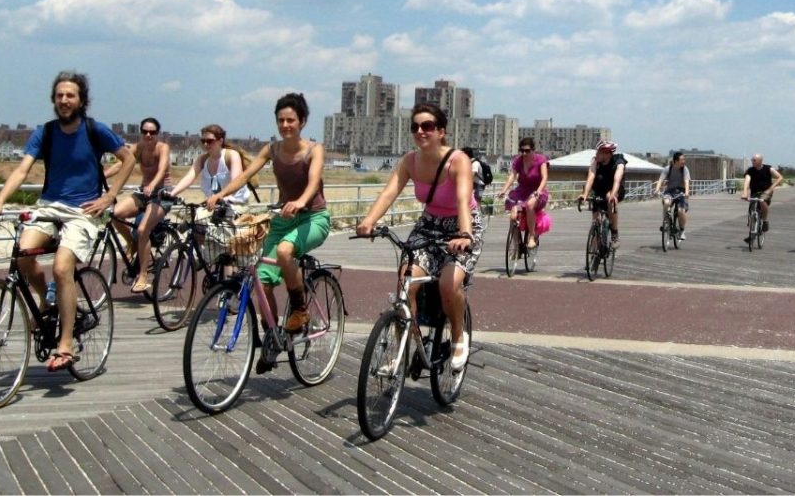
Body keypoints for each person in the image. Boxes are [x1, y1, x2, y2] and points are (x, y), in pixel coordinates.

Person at [0, 71, 135, 372]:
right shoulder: (44, 132)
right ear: (53, 99)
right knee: (22, 256)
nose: (64, 100)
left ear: (81, 100)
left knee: (62, 268)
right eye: (59, 95)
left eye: (70, 95)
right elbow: (21, 171)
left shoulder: (94, 130)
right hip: (49, 206)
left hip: (82, 211)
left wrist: (109, 197)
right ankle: (47, 306)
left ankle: (67, 342)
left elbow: (128, 159)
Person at [357, 103, 483, 371]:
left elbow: (462, 200)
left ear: (441, 132)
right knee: (406, 282)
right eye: (415, 127)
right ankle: (402, 350)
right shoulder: (410, 161)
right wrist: (369, 220)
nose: (420, 131)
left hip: (462, 224)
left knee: (449, 285)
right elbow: (389, 192)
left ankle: (460, 337)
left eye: (427, 126)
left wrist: (465, 234)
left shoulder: (457, 160)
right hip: (429, 224)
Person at [206, 93, 330, 359]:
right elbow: (246, 176)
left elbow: (313, 182)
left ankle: (299, 309)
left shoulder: (314, 150)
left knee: (285, 253)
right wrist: (220, 195)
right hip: (283, 220)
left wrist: (300, 201)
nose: (285, 125)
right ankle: (273, 335)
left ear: (302, 122)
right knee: (261, 282)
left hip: (313, 218)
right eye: (281, 120)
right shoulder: (272, 150)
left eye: (291, 120)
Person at [102, 117, 172, 293]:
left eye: (153, 132)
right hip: (144, 193)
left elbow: (163, 169)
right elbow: (121, 164)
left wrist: (153, 184)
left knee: (142, 230)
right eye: (145, 132)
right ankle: (131, 243)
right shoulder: (138, 147)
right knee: (114, 213)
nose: (148, 135)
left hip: (161, 195)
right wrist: (102, 176)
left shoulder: (162, 148)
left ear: (158, 134)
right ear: (141, 133)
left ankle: (142, 275)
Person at [168, 123, 254, 206]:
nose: (206, 144)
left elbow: (236, 182)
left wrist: (221, 197)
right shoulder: (202, 159)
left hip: (236, 204)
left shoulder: (231, 155)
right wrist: (172, 194)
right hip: (213, 205)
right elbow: (189, 178)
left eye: (210, 141)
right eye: (203, 141)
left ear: (220, 141)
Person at [496, 137, 550, 249]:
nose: (524, 153)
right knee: (513, 214)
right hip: (522, 191)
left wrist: (538, 191)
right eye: (522, 151)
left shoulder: (541, 160)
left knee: (530, 205)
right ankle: (516, 243)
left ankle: (531, 236)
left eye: (527, 151)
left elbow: (544, 178)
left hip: (538, 191)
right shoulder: (518, 160)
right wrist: (504, 190)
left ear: (533, 150)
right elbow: (512, 177)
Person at [578, 140, 626, 249]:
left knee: (610, 198)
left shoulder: (619, 162)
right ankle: (596, 242)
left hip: (615, 189)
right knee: (596, 220)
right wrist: (585, 194)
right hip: (600, 189)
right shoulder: (595, 161)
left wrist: (613, 194)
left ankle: (614, 233)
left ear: (607, 154)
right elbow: (591, 177)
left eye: (598, 152)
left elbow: (617, 179)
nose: (596, 154)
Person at [741, 153, 784, 244]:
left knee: (762, 201)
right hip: (755, 193)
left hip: (766, 192)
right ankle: (751, 234)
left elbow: (780, 177)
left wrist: (771, 189)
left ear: (760, 161)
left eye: (754, 160)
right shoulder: (750, 170)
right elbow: (747, 181)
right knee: (752, 211)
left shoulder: (768, 168)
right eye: (752, 160)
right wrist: (745, 192)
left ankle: (764, 221)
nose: (752, 162)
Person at [655, 151, 691, 240]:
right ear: (675, 161)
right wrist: (657, 189)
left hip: (681, 192)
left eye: (684, 159)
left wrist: (686, 192)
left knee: (681, 211)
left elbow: (686, 181)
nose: (684, 161)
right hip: (670, 191)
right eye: (682, 160)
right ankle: (666, 223)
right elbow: (660, 180)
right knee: (666, 203)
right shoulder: (668, 169)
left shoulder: (684, 169)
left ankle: (682, 230)